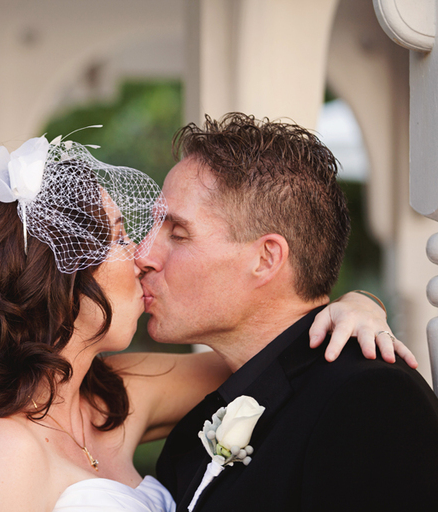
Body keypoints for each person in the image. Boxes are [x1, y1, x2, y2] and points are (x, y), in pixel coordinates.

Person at [0, 131, 411, 512]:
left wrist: (359, 305)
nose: (142, 255)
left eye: (175, 232)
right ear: (56, 275)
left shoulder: (115, 393)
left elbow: (275, 355)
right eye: (122, 236)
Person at [138, 113, 438, 511]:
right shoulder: (200, 424)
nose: (143, 256)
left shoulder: (371, 398)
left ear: (266, 259)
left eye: (177, 233)